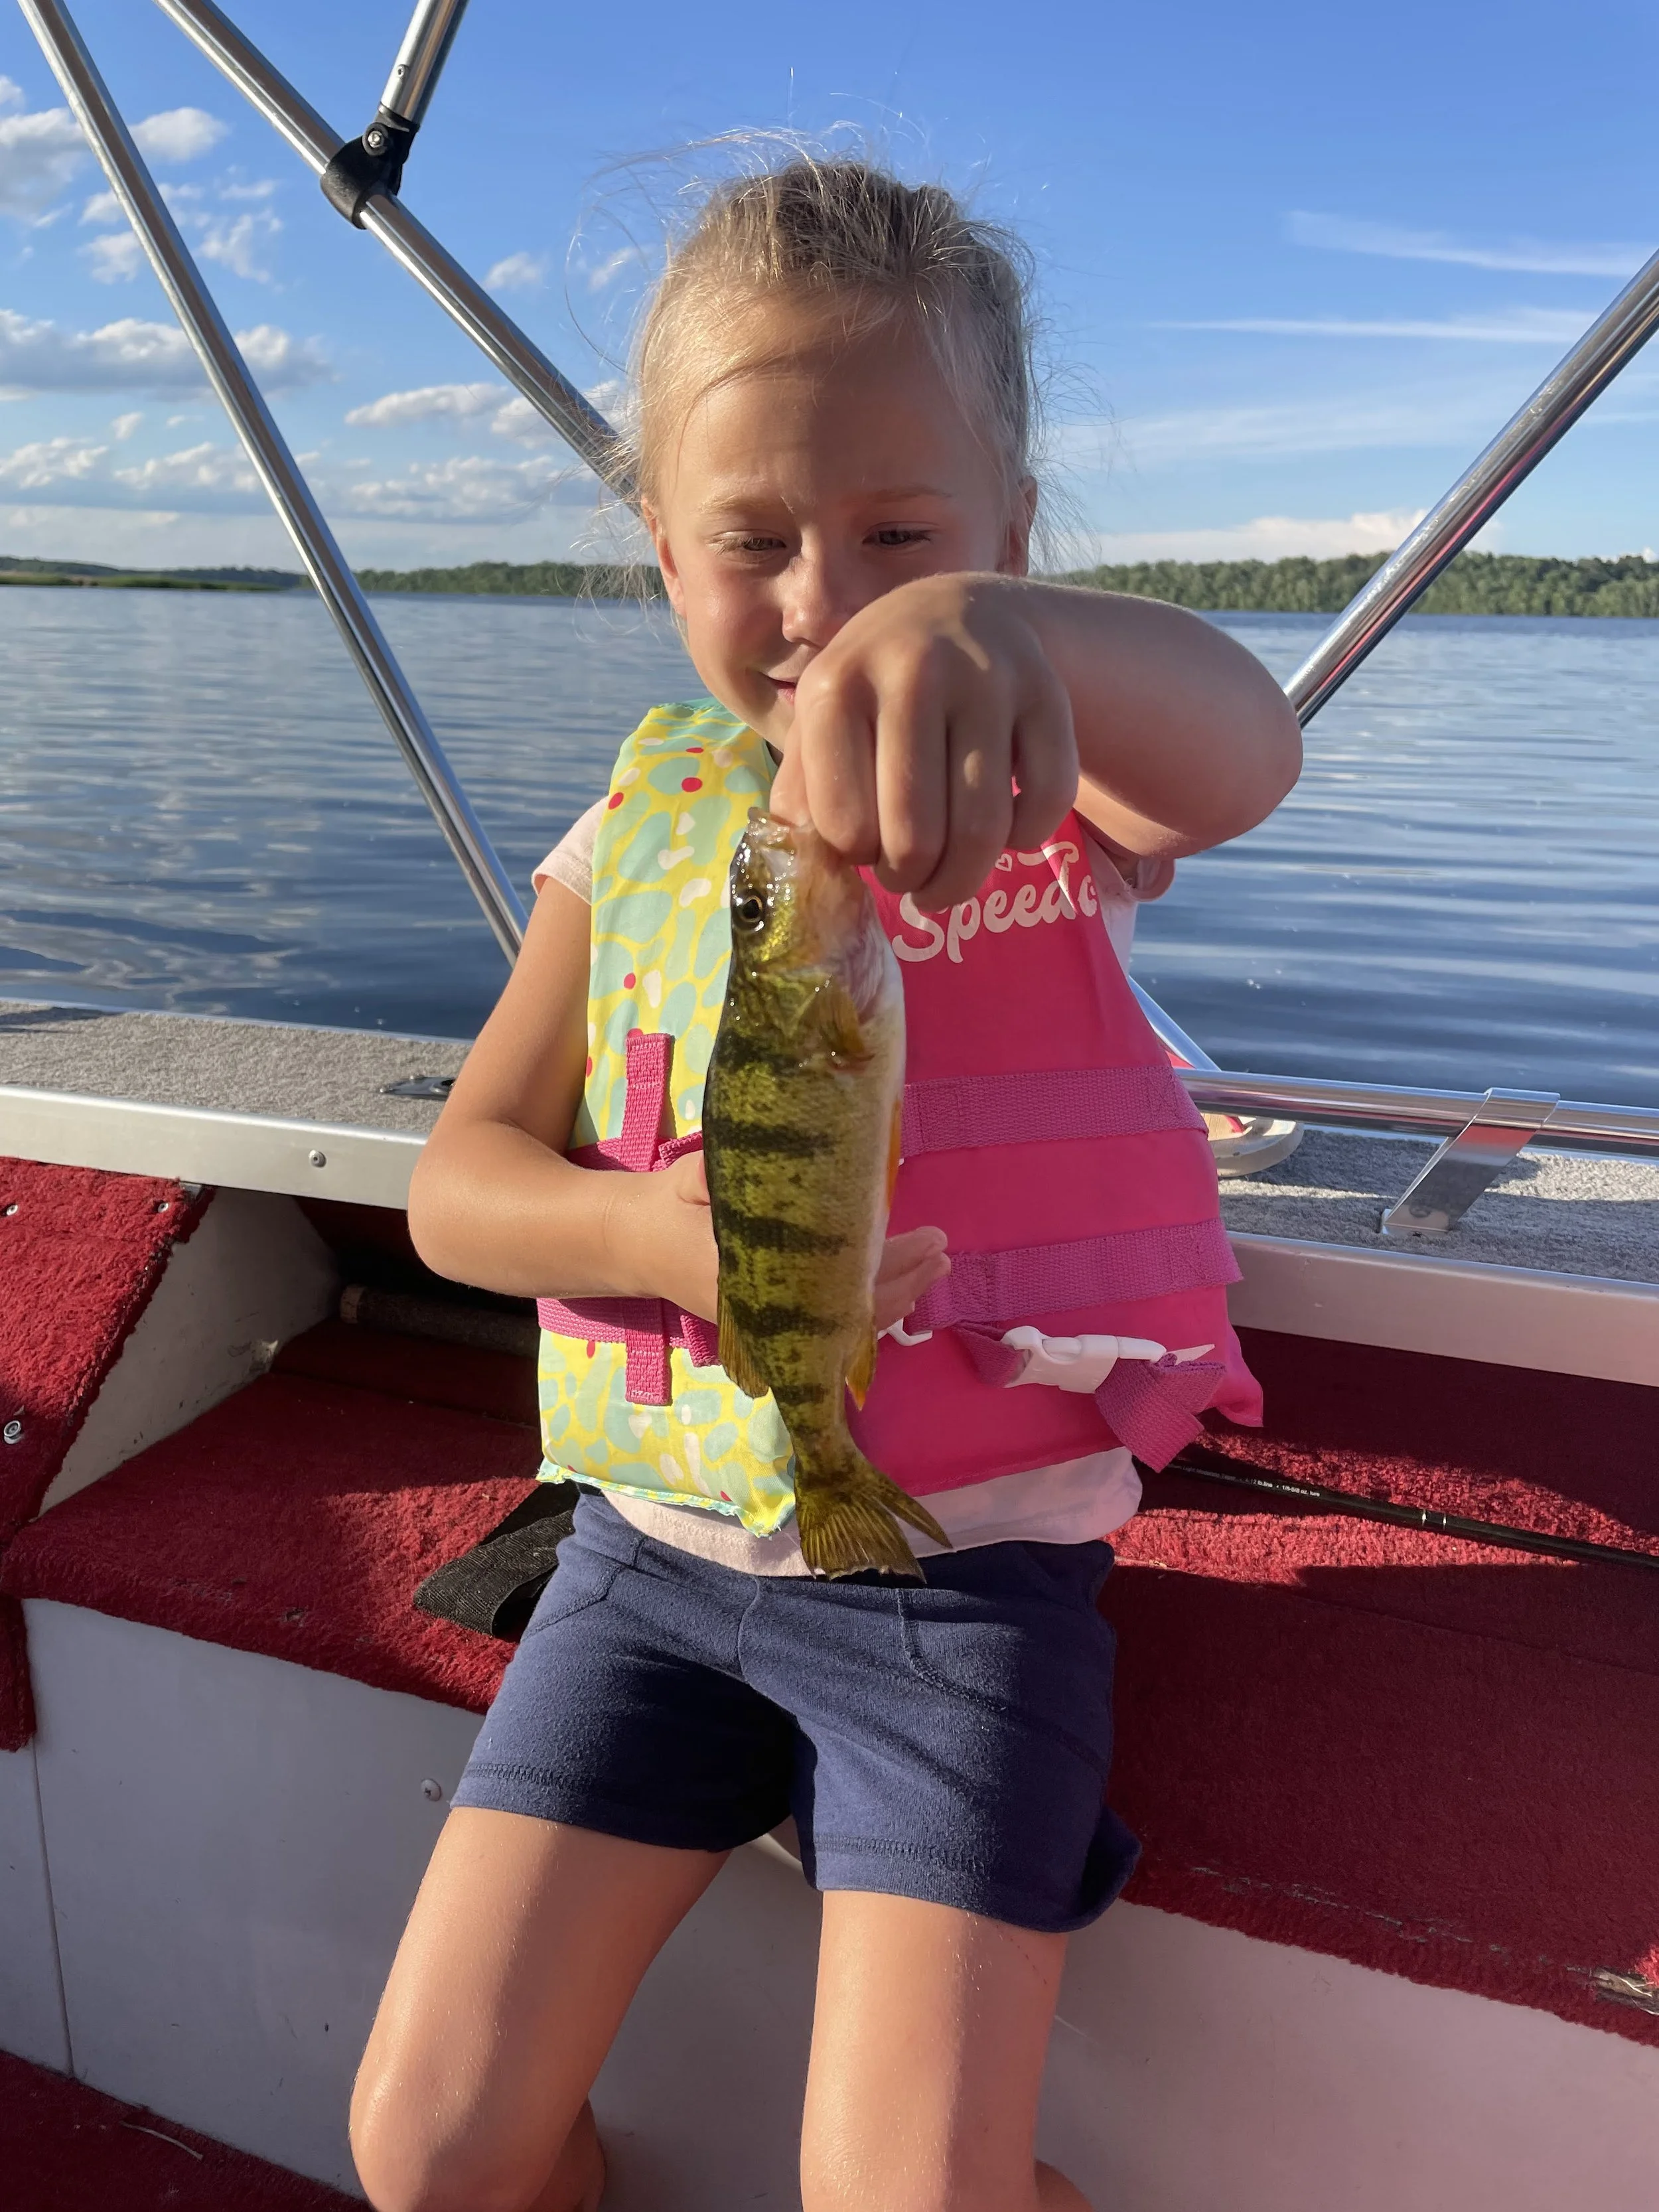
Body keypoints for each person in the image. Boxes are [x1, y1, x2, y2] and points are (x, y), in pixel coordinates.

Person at [350, 157, 1301, 2212]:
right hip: (653, 1567)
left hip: (965, 1585)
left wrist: (1000, 636)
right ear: (658, 550)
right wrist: (650, 1233)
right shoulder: (640, 828)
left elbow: (1245, 746)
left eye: (899, 535)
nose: (820, 600)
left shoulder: (1054, 783)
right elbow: (457, 1183)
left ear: (1014, 541)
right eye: (752, 539)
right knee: (427, 2146)